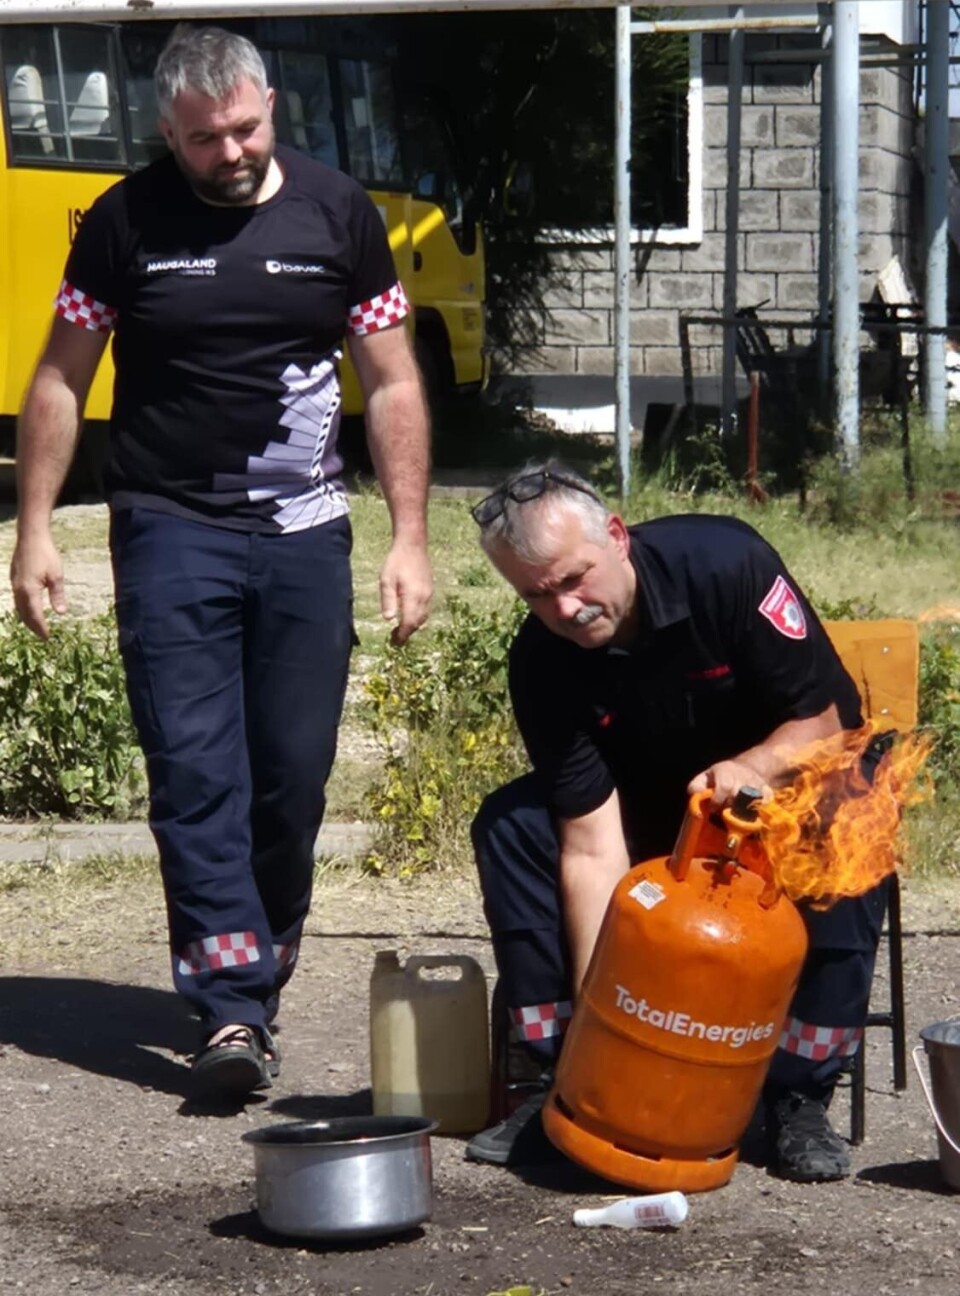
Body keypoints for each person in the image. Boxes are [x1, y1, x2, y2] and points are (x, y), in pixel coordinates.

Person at [9, 26, 432, 1103]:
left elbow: (389, 383)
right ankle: (231, 1006)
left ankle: (262, 958)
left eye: (244, 129)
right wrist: (37, 527)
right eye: (204, 140)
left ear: (273, 108)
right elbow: (61, 379)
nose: (230, 153)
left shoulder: (342, 217)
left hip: (306, 534)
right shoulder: (122, 223)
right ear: (167, 132)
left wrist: (411, 538)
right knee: (197, 775)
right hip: (170, 528)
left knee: (290, 780)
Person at [465, 461, 889, 1183]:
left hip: (773, 802)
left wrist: (754, 767)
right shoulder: (541, 662)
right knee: (511, 823)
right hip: (650, 821)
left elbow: (827, 724)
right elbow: (590, 846)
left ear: (618, 537)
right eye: (537, 597)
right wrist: (612, 1011)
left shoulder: (726, 564)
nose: (565, 609)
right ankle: (564, 1075)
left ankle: (798, 1092)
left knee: (852, 806)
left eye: (574, 579)